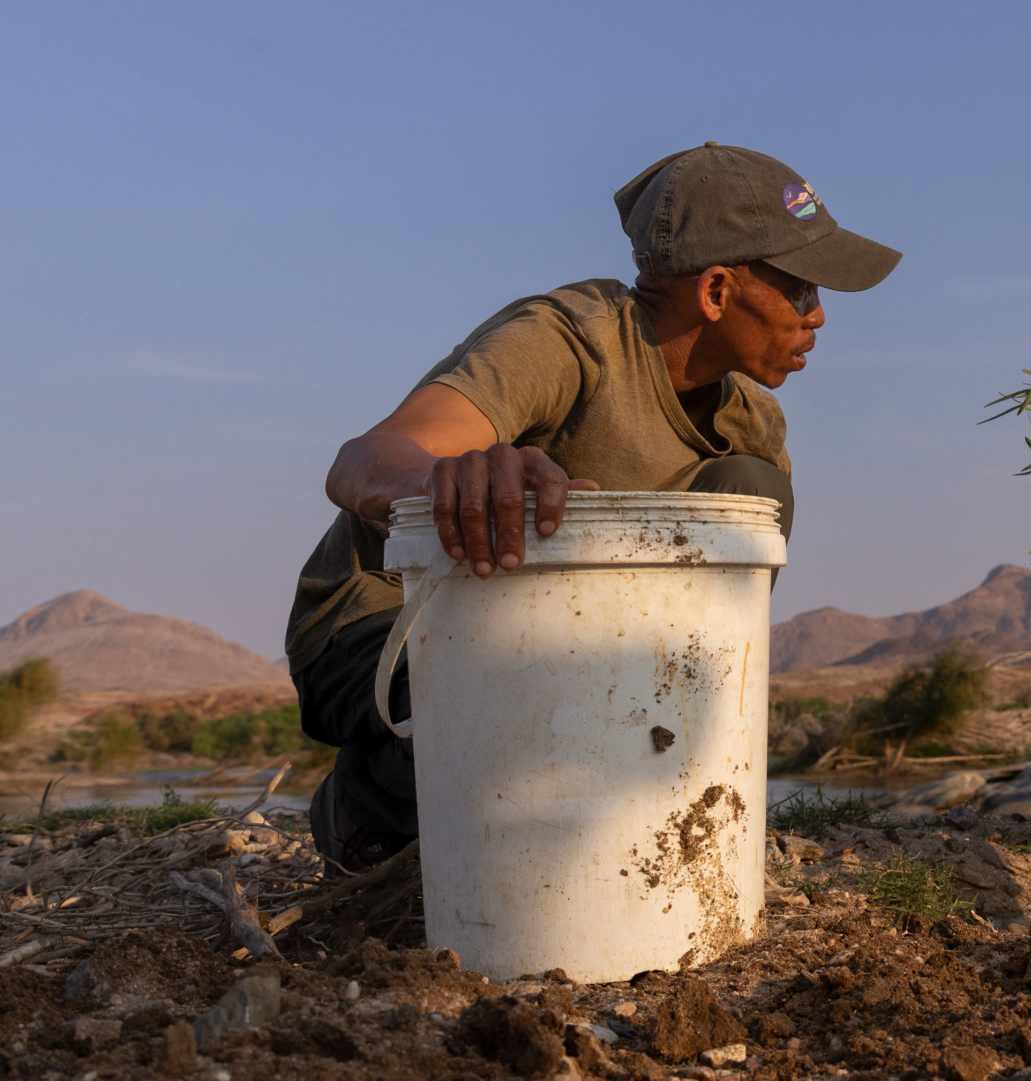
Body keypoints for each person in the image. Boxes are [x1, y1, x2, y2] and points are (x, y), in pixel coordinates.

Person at [285, 143, 900, 871]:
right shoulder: (571, 339)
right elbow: (365, 459)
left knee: (753, 499)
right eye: (801, 290)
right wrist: (456, 486)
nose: (819, 315)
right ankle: (370, 806)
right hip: (388, 626)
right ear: (716, 291)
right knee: (527, 671)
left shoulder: (752, 428)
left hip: (565, 654)